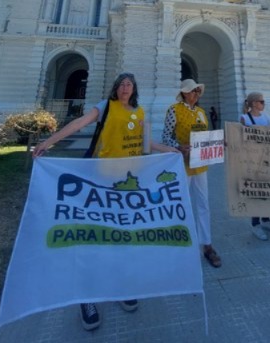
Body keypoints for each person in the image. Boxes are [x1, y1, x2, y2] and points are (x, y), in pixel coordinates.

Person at [33, 72, 177, 331]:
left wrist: (170, 150)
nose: (125, 87)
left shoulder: (141, 112)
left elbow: (147, 145)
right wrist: (48, 141)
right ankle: (86, 298)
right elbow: (78, 124)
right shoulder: (105, 107)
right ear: (116, 88)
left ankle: (120, 287)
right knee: (95, 238)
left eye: (129, 84)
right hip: (100, 183)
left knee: (123, 237)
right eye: (121, 83)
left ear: (134, 89)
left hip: (127, 186)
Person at [162, 79, 222, 268]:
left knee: (203, 203)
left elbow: (206, 136)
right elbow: (166, 136)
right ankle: (181, 243)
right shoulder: (174, 110)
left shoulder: (201, 112)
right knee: (182, 203)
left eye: (198, 91)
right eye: (193, 91)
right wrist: (178, 146)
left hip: (200, 164)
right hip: (183, 163)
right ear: (184, 93)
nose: (196, 94)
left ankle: (206, 244)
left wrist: (219, 143)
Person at [239, 92, 270, 241]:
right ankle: (255, 224)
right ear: (253, 103)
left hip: (267, 158)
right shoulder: (244, 118)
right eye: (261, 101)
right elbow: (241, 137)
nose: (263, 104)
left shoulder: (265, 116)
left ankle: (266, 220)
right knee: (255, 190)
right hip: (252, 159)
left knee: (266, 188)